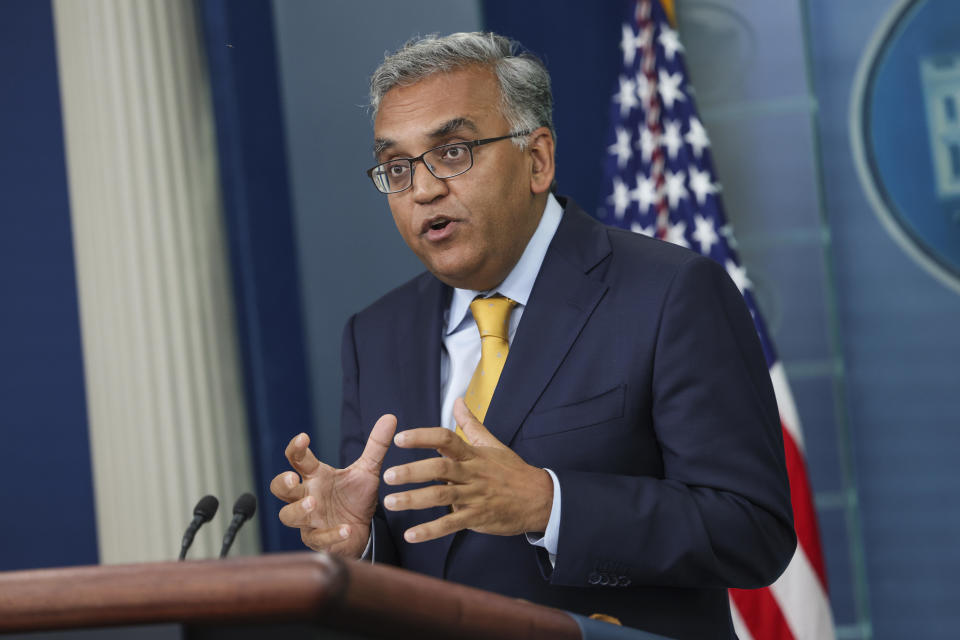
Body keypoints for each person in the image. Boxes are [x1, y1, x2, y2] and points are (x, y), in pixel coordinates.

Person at [270, 32, 795, 638]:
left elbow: (751, 530)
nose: (422, 189)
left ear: (537, 159)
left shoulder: (670, 293)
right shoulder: (374, 335)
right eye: (396, 166)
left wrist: (550, 505)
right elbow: (425, 568)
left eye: (453, 152)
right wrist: (359, 546)